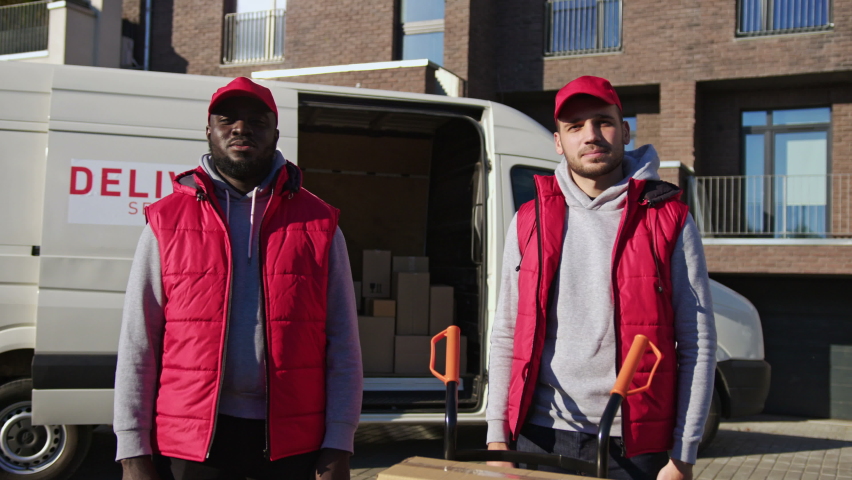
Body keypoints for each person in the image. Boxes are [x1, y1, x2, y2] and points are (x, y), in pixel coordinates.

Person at [113, 77, 362, 480]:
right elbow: (138, 342)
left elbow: (343, 343)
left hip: (293, 442)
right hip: (193, 443)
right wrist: (132, 452)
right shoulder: (166, 222)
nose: (241, 129)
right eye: (227, 120)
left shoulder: (319, 224)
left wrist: (339, 443)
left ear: (276, 134)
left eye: (256, 121)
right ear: (208, 131)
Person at [485, 76, 716, 480]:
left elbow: (697, 341)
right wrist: (496, 437)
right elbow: (506, 331)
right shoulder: (529, 220)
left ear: (625, 131)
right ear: (558, 142)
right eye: (574, 126)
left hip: (636, 445)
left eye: (602, 121)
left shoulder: (669, 218)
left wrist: (682, 456)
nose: (591, 135)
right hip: (540, 435)